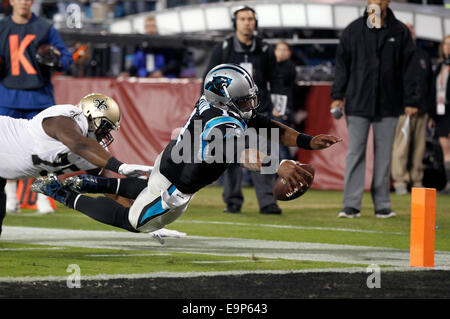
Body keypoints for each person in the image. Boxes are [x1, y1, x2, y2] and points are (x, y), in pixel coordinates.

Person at [31, 64, 342, 237]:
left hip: (169, 165)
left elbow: (261, 122)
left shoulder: (214, 104)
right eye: (244, 99)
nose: (249, 105)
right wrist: (279, 164)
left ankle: (91, 182)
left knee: (148, 187)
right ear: (224, 99)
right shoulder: (219, 122)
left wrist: (305, 140)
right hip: (176, 188)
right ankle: (63, 194)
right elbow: (240, 154)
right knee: (133, 222)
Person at [0, 92, 170, 239]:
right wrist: (120, 166)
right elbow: (78, 143)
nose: (105, 135)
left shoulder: (91, 149)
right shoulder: (67, 116)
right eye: (104, 127)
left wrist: (146, 222)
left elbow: (113, 193)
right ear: (89, 116)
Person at [330, 0, 419, 218]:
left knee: (384, 155)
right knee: (355, 153)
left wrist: (411, 100)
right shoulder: (352, 31)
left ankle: (382, 205)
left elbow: (410, 69)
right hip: (358, 102)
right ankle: (351, 204)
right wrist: (336, 96)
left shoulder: (400, 32)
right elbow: (342, 66)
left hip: (389, 103)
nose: (377, 2)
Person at [204, 5, 280, 215]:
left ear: (255, 23)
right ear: (235, 23)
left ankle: (267, 201)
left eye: (250, 19)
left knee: (264, 155)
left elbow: (277, 79)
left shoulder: (265, 49)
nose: (247, 22)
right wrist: (211, 110)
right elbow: (209, 79)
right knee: (230, 158)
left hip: (260, 111)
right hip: (229, 113)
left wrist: (280, 107)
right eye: (243, 19)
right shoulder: (223, 48)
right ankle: (232, 200)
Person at [0, 0, 73, 214]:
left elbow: (66, 59)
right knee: (4, 151)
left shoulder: (44, 27)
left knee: (45, 150)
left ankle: (43, 196)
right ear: (11, 1)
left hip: (38, 97)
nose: (23, 2)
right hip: (7, 95)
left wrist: (56, 57)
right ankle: (10, 198)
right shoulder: (2, 27)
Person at [391, 23, 432, 195]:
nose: (411, 32)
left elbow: (429, 84)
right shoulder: (395, 55)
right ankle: (400, 181)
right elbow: (394, 84)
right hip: (403, 110)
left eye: (413, 29)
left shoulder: (423, 55)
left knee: (419, 149)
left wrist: (428, 110)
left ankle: (417, 180)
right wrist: (407, 104)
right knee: (401, 147)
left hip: (422, 111)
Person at [429, 35, 450, 194]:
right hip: (441, 113)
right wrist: (432, 115)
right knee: (445, 149)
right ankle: (448, 183)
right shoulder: (439, 66)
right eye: (446, 45)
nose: (448, 47)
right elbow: (432, 91)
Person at [271, 40, 297, 160]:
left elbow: (282, 78)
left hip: (282, 108)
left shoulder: (290, 67)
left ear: (289, 53)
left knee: (279, 142)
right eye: (279, 50)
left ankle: (288, 172)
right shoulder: (269, 66)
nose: (281, 53)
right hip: (268, 106)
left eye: (284, 50)